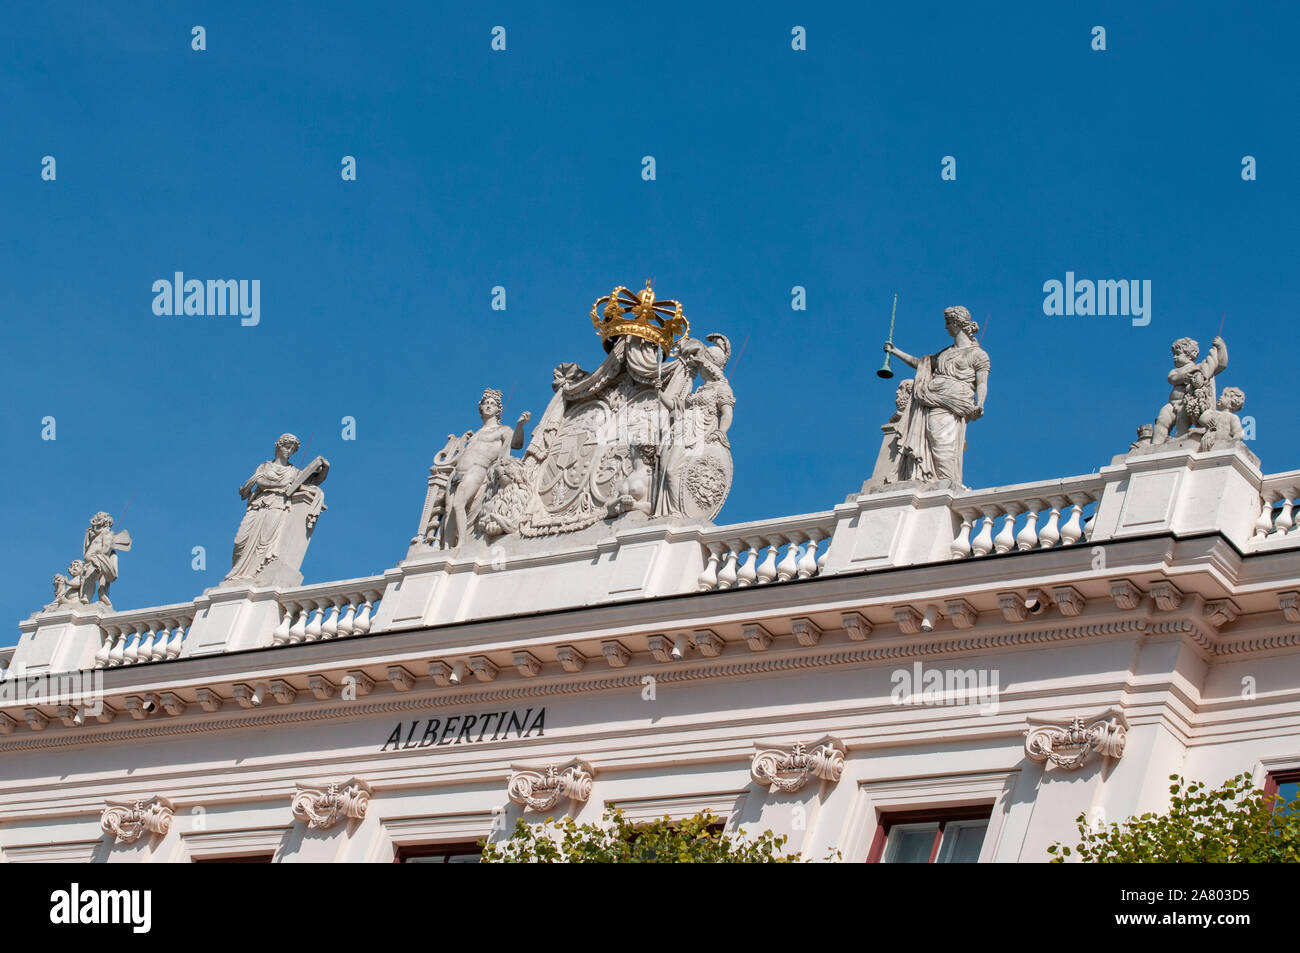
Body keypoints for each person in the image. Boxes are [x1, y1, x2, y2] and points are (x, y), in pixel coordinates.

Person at [882, 306, 990, 486]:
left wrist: (981, 403)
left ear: (957, 324)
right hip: (931, 399)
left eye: (948, 323)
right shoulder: (945, 353)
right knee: (930, 438)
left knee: (943, 443)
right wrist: (896, 351)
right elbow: (921, 363)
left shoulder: (978, 355)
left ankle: (945, 482)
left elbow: (982, 382)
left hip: (954, 402)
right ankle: (929, 478)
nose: (946, 327)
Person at [226, 434, 327, 582]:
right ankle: (236, 574)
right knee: (240, 541)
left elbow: (316, 480)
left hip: (277, 506)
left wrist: (325, 468)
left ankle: (252, 576)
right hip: (257, 505)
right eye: (286, 446)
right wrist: (284, 485)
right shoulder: (264, 467)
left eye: (292, 449)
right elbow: (261, 482)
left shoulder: (294, 472)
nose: (289, 451)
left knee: (264, 542)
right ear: (278, 446)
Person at [440, 389, 530, 548]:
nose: (488, 406)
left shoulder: (503, 430)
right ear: (480, 407)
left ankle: (462, 544)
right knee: (448, 511)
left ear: (498, 410)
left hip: (477, 469)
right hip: (458, 471)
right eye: (486, 403)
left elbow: (516, 444)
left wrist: (520, 425)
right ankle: (445, 548)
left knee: (458, 504)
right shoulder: (475, 434)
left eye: (492, 404)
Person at [1154, 335, 1227, 443]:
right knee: (1162, 419)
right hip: (1172, 403)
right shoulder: (1177, 371)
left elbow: (1220, 364)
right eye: (1174, 355)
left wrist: (1221, 347)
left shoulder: (1201, 367)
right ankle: (1156, 444)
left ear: (1190, 355)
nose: (1175, 357)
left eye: (1178, 354)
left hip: (1186, 404)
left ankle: (1179, 442)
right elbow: (1172, 378)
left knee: (1182, 426)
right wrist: (1186, 375)